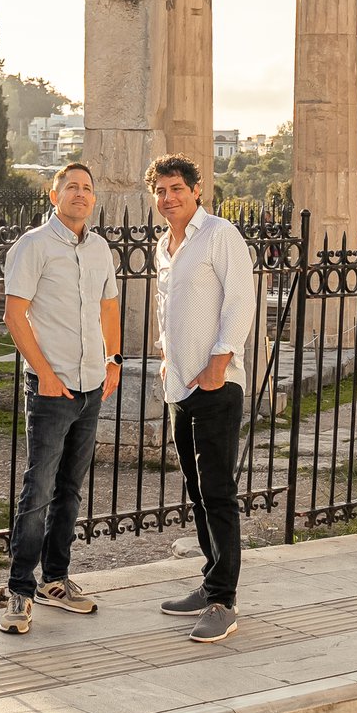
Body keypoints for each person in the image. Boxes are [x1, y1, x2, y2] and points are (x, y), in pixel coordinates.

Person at [0, 162, 122, 635]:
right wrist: (45, 375)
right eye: (71, 187)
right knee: (39, 490)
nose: (80, 194)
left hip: (91, 386)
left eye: (87, 188)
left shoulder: (100, 249)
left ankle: (56, 580)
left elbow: (109, 306)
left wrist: (114, 360)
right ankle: (19, 590)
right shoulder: (33, 246)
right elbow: (14, 315)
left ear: (94, 198)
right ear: (54, 196)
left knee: (69, 489)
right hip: (52, 389)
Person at [147, 153, 254, 644]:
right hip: (179, 385)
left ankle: (223, 602)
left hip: (215, 383)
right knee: (196, 490)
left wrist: (218, 363)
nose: (168, 198)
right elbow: (165, 306)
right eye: (160, 191)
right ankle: (211, 581)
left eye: (176, 188)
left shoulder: (219, 234)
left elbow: (240, 301)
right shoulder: (163, 246)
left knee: (217, 492)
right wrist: (164, 354)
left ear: (196, 190)